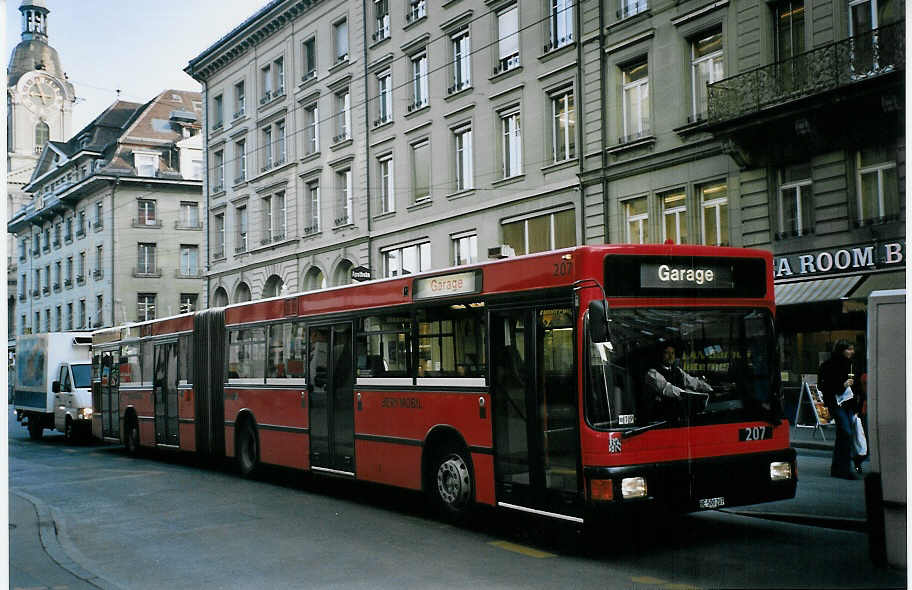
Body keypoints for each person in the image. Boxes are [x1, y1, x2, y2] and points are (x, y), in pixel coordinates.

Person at [818, 340, 858, 480]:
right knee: (846, 433)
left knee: (843, 434)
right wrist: (843, 385)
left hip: (847, 403)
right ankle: (844, 469)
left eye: (852, 349)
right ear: (842, 350)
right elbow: (824, 386)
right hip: (836, 403)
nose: (852, 352)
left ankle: (837, 467)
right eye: (849, 349)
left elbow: (855, 385)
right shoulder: (828, 366)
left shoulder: (850, 365)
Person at [645, 343, 713, 400]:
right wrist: (690, 394)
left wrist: (710, 389)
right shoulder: (652, 373)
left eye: (672, 353)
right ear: (660, 355)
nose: (671, 356)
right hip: (662, 412)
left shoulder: (678, 370)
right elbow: (667, 388)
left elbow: (693, 381)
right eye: (667, 353)